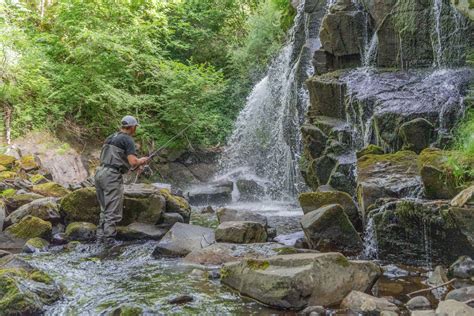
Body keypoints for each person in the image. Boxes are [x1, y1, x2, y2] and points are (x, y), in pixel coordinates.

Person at [95, 115, 149, 244]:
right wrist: (142, 160)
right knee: (112, 210)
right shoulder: (127, 140)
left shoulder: (110, 137)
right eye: (135, 127)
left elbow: (114, 157)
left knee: (104, 208)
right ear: (132, 127)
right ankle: (109, 241)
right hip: (111, 176)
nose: (135, 129)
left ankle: (99, 238)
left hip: (99, 173)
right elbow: (133, 161)